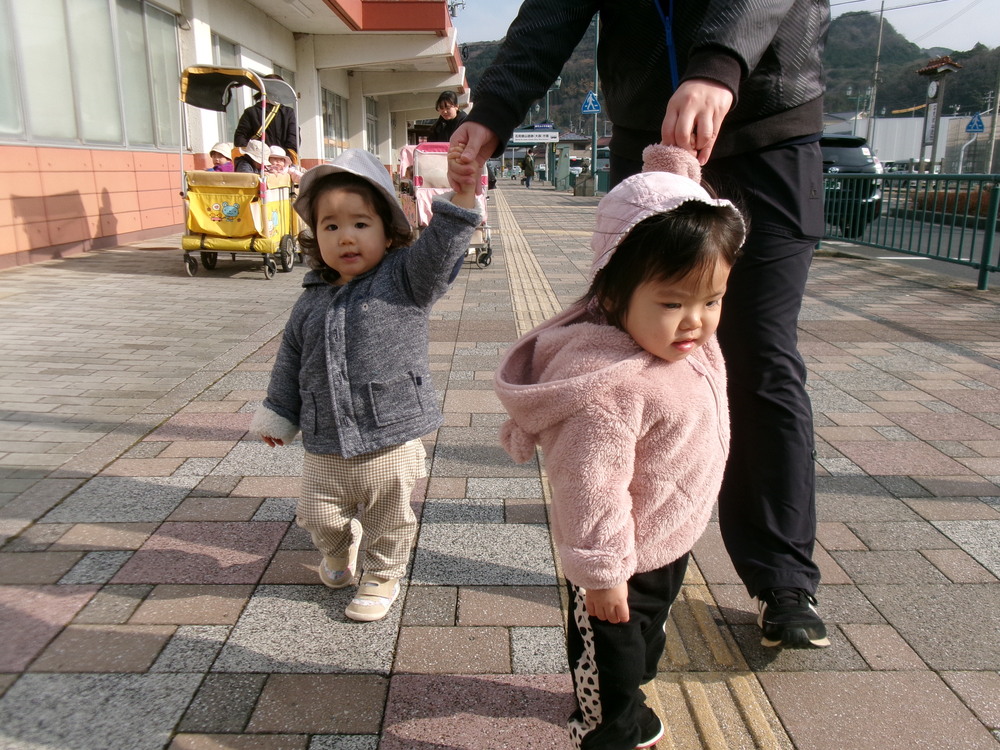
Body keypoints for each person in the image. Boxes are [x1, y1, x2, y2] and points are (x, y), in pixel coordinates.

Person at [448, 0, 832, 650]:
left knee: (761, 357)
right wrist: (493, 111)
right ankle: (634, 561)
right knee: (632, 357)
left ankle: (783, 578)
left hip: (766, 125)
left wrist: (719, 63)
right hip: (647, 137)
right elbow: (551, 12)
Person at [495, 145, 745, 749]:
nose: (696, 322)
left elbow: (676, 217)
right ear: (612, 297)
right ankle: (609, 728)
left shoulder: (677, 345)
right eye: (672, 303)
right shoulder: (606, 390)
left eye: (711, 301)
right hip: (615, 556)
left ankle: (630, 687)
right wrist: (603, 575)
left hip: (666, 534)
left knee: (646, 633)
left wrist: (676, 166)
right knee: (608, 653)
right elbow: (591, 490)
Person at [249, 148, 481, 622]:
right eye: (330, 226)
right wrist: (280, 411)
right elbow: (290, 358)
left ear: (388, 230)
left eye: (360, 223)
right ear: (316, 236)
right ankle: (338, 549)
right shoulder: (310, 300)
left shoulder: (405, 279)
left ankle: (382, 574)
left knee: (388, 516)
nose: (345, 237)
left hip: (388, 432)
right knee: (318, 513)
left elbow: (439, 252)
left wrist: (461, 195)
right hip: (324, 437)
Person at [234, 73, 299, 162]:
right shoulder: (287, 112)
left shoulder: (287, 112)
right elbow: (294, 141)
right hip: (276, 162)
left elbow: (240, 139)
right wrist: (281, 159)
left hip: (263, 162)